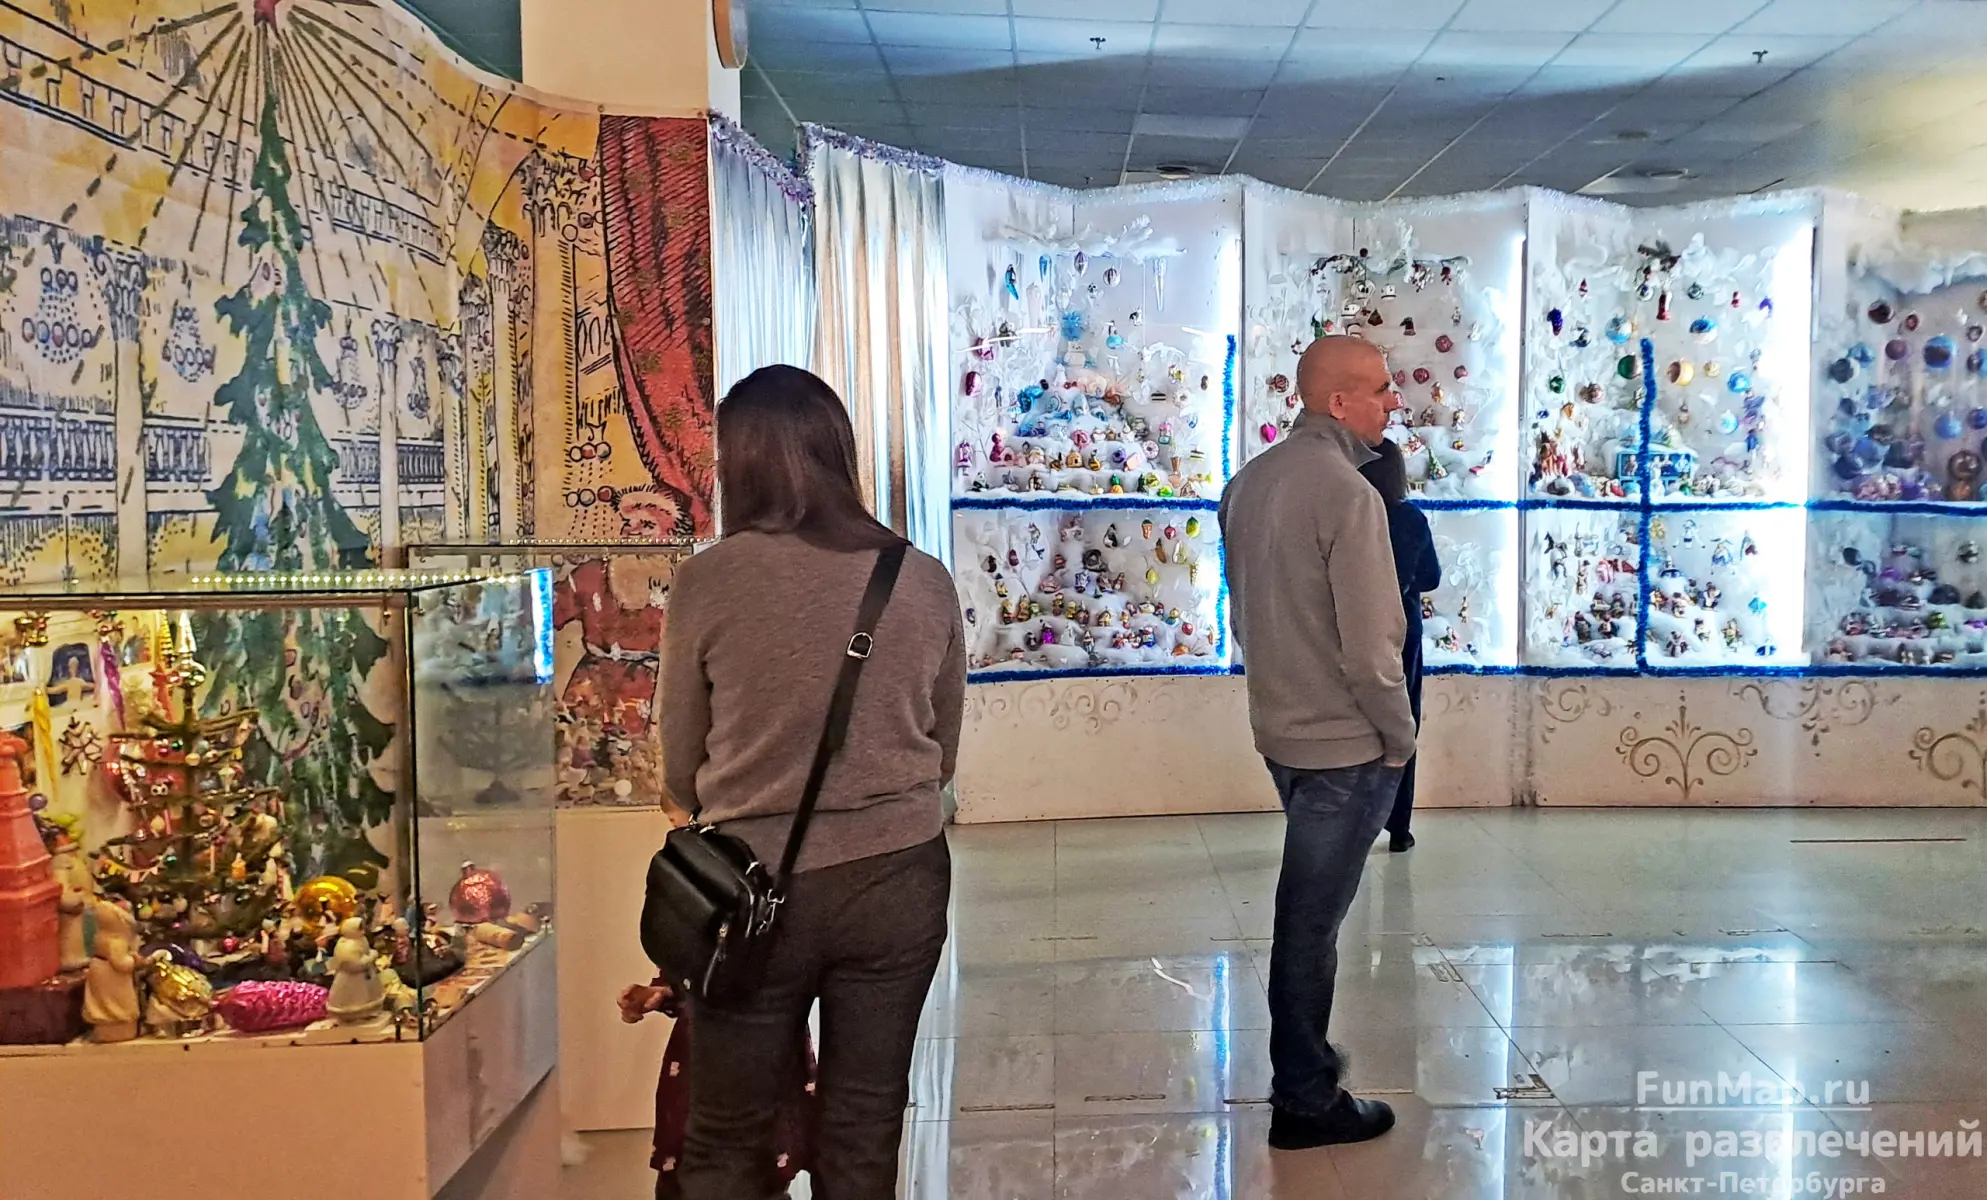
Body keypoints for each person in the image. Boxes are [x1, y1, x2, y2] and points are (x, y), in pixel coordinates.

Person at [659, 364, 965, 1200]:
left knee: (726, 1133)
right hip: (898, 878)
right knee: (863, 1123)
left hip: (748, 887)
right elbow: (942, 753)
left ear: (739, 462)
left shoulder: (708, 581)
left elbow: (680, 763)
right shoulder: (920, 576)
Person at [1219, 335, 1415, 1151]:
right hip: (1345, 744)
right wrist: (1398, 738)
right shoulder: (1347, 493)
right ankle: (1303, 1099)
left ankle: (1309, 1065)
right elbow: (1372, 648)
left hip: (1281, 731)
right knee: (1309, 926)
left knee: (1306, 915)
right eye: (1380, 389)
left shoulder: (1247, 482)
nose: (1393, 402)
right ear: (1338, 402)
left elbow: (1242, 619)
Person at [618, 977, 817, 1199]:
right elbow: (684, 971)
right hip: (700, 1061)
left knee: (764, 1173)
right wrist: (662, 991)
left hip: (769, 1056)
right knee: (682, 1171)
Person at [1357, 438, 1441, 853]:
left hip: (1352, 627)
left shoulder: (1350, 513)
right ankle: (1399, 826)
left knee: (1355, 723)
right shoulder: (1410, 518)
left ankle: (1354, 822)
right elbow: (1430, 577)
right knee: (1403, 722)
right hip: (1403, 631)